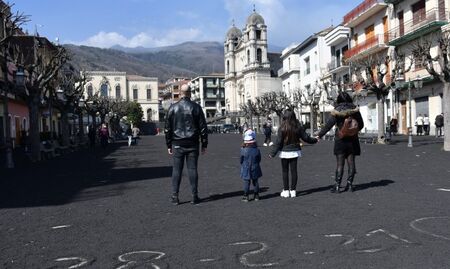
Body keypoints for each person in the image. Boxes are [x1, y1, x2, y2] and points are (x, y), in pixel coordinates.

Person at [165, 84, 208, 205]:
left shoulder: (173, 108)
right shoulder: (196, 107)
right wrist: (204, 144)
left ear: (180, 93)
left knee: (177, 170)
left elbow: (167, 128)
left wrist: (168, 145)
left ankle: (175, 196)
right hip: (193, 143)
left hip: (177, 143)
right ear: (190, 93)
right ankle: (194, 196)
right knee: (192, 169)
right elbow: (203, 128)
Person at [316, 91, 364, 193]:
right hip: (353, 139)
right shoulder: (355, 110)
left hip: (340, 139)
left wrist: (319, 135)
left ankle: (337, 186)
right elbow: (361, 124)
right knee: (351, 163)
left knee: (340, 164)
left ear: (339, 99)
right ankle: (350, 185)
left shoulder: (336, 110)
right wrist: (353, 130)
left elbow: (328, 125)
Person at [269, 109, 318, 198]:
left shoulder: (282, 127)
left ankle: (286, 190)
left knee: (285, 171)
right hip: (295, 151)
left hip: (284, 151)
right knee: (294, 171)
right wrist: (315, 140)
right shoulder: (298, 127)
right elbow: (306, 138)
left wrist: (272, 153)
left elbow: (278, 142)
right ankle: (293, 191)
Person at [240, 129, 262, 202]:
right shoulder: (257, 150)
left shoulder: (242, 150)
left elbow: (241, 160)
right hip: (255, 166)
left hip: (246, 167)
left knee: (247, 182)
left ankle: (246, 196)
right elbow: (259, 159)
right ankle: (256, 195)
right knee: (255, 182)